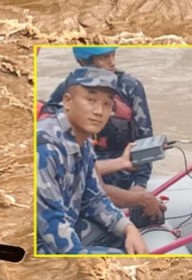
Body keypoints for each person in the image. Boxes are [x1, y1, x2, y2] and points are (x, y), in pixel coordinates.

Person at [42, 47, 164, 223]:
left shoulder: (130, 87)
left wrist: (139, 186)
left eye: (113, 55)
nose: (112, 63)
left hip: (118, 177)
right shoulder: (69, 91)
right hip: (84, 181)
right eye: (104, 58)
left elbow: (144, 141)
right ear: (84, 62)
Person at [37, 67, 148, 254]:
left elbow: (94, 197)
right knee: (119, 260)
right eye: (91, 100)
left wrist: (128, 228)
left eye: (107, 104)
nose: (99, 111)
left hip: (69, 224)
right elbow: (52, 224)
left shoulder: (83, 139)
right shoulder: (45, 146)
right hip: (37, 243)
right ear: (67, 101)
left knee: (129, 243)